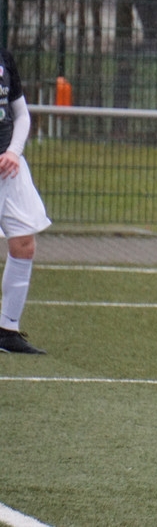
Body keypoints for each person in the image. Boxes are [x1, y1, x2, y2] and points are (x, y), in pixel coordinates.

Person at [0, 48, 51, 354]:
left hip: (10, 166)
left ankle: (7, 329)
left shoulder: (5, 60)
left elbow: (21, 115)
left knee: (23, 242)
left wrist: (13, 152)